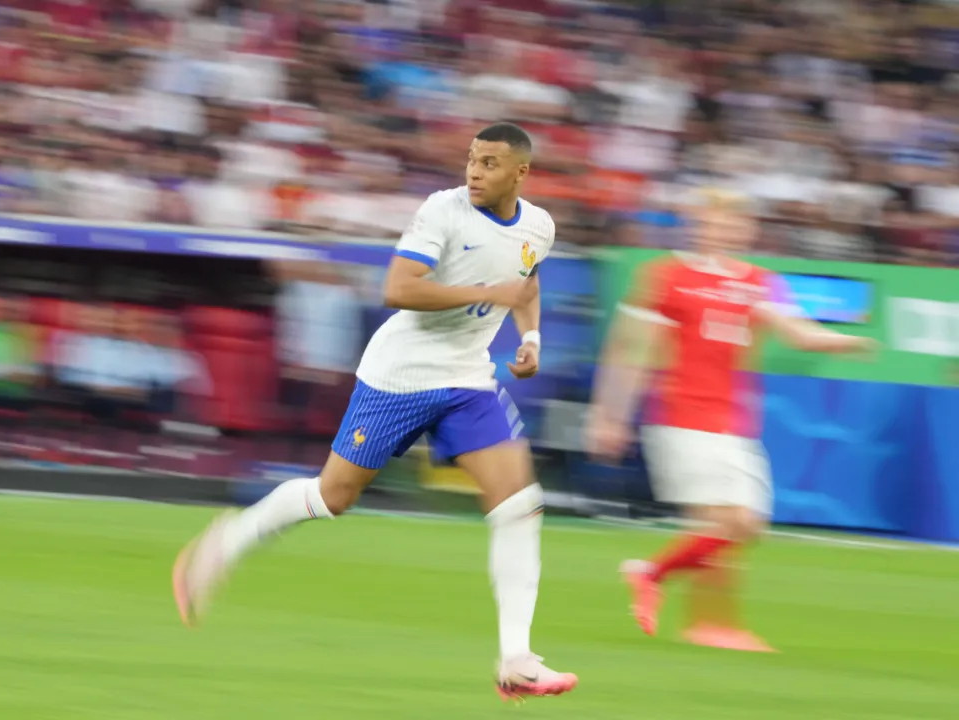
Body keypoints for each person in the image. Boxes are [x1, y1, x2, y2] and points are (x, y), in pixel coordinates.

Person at [172, 122, 578, 701]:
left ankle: (516, 659)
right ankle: (226, 541)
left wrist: (531, 338)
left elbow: (525, 281)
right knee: (332, 497)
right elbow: (398, 289)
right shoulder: (443, 211)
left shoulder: (539, 226)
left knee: (519, 503)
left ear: (521, 173)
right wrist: (486, 293)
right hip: (400, 376)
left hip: (467, 378)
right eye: (471, 159)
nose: (474, 171)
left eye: (489, 163)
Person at [586, 188, 876, 652]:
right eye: (710, 221)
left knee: (745, 524)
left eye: (730, 223)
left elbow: (798, 332)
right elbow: (628, 347)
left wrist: (844, 341)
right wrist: (609, 415)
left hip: (733, 419)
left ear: (745, 229)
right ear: (694, 225)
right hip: (681, 414)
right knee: (724, 518)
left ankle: (658, 579)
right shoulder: (665, 275)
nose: (719, 230)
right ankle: (712, 624)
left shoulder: (759, 280)